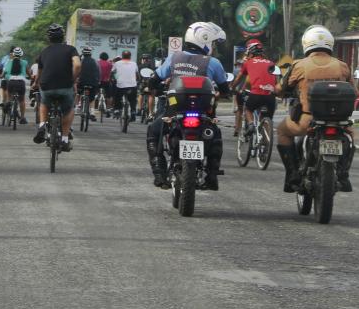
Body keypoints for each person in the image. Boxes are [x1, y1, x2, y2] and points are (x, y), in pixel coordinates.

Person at [146, 21, 230, 190]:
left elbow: (155, 79)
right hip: (203, 115)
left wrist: (153, 87)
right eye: (212, 42)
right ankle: (212, 176)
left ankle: (160, 174)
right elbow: (225, 89)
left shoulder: (174, 58)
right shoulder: (213, 63)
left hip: (174, 111)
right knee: (216, 137)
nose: (213, 46)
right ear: (204, 40)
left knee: (153, 133)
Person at [276, 25, 354, 193]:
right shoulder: (342, 66)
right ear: (330, 43)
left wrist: (280, 91)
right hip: (339, 122)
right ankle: (343, 175)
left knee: (282, 131)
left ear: (306, 43)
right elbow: (354, 91)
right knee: (351, 137)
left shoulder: (298, 65)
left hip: (308, 120)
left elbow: (280, 89)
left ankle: (292, 174)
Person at [33, 24, 81, 151]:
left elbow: (40, 72)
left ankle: (42, 124)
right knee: (69, 109)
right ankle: (65, 139)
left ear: (49, 38)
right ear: (62, 37)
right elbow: (77, 65)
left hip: (47, 85)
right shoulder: (71, 49)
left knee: (44, 103)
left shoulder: (44, 51)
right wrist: (73, 79)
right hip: (65, 86)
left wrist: (36, 83)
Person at [232, 40, 278, 135]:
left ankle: (251, 124)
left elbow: (238, 79)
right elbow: (275, 81)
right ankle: (265, 140)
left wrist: (231, 87)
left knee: (248, 109)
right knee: (266, 118)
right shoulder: (271, 63)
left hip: (256, 94)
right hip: (271, 97)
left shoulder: (248, 63)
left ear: (251, 53)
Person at [2, 47, 29, 124]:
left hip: (11, 82)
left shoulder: (9, 62)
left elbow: (4, 73)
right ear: (21, 55)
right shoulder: (24, 62)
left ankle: (8, 103)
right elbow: (28, 73)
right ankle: (22, 118)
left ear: (13, 54)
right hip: (21, 82)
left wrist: (2, 76)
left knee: (9, 96)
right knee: (22, 100)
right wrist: (31, 77)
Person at [112, 50, 140, 121]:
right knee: (133, 99)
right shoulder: (134, 64)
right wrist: (138, 80)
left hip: (120, 86)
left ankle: (117, 110)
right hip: (132, 86)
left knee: (117, 97)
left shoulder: (117, 63)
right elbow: (137, 75)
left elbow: (112, 72)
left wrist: (113, 79)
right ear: (130, 57)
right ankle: (133, 111)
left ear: (122, 56)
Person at [76, 45, 100, 121]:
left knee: (78, 93)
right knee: (92, 98)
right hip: (93, 83)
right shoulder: (95, 62)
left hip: (82, 82)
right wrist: (98, 81)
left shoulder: (80, 61)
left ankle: (77, 107)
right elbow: (98, 73)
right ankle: (92, 113)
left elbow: (77, 72)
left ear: (83, 53)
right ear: (91, 54)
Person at [0, 46, 14, 112]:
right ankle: (12, 104)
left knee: (2, 87)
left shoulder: (5, 58)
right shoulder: (20, 60)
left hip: (5, 78)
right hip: (16, 80)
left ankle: (2, 100)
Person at [97, 52, 114, 116]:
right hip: (106, 81)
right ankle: (108, 108)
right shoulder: (110, 64)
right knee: (109, 95)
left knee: (93, 92)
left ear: (100, 57)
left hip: (98, 81)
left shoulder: (97, 62)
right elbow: (112, 72)